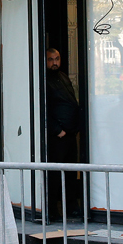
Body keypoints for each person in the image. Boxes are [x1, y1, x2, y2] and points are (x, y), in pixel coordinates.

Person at [45, 48, 83, 218]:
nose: (54, 62)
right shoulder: (44, 80)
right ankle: (52, 210)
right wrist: (57, 130)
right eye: (51, 59)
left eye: (57, 58)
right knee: (54, 174)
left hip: (70, 134)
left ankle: (71, 207)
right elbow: (42, 110)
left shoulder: (63, 76)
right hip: (57, 136)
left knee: (70, 172)